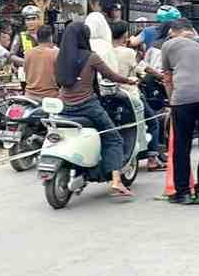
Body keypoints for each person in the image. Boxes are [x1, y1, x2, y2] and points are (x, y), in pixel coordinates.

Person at [56, 19, 138, 198]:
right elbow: (111, 75)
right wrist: (129, 80)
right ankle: (116, 180)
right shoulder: (91, 57)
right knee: (113, 137)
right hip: (87, 106)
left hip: (63, 107)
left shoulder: (60, 57)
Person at [159, 21, 199, 205]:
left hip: (184, 97)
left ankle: (183, 193)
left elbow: (167, 78)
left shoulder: (169, 45)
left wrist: (172, 102)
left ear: (174, 32)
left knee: (181, 145)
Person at [111, 19, 164, 170]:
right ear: (125, 34)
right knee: (153, 121)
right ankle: (152, 159)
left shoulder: (106, 50)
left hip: (110, 95)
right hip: (130, 94)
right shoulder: (128, 52)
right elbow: (142, 68)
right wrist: (160, 76)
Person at [24, 23, 60, 101]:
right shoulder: (56, 53)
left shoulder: (28, 53)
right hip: (50, 97)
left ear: (37, 37)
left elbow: (26, 72)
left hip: (29, 96)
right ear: (51, 37)